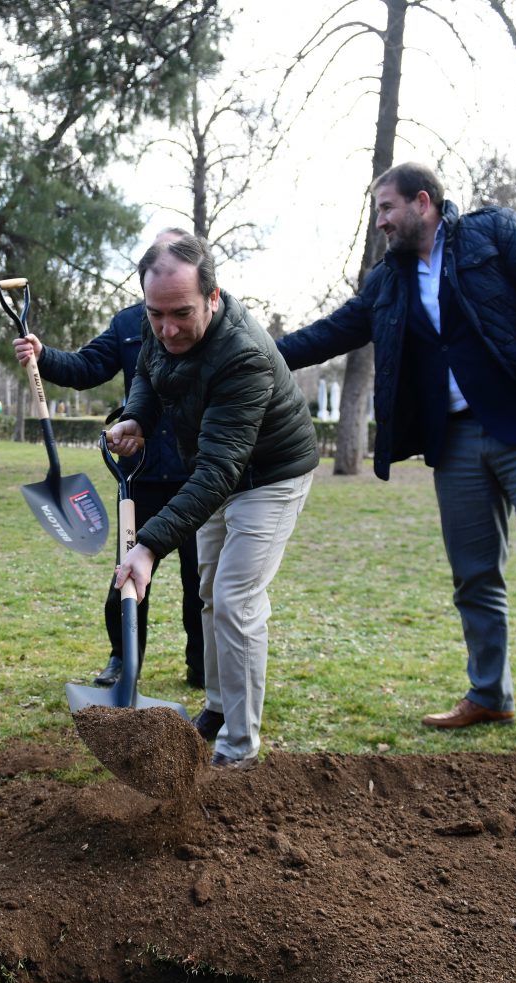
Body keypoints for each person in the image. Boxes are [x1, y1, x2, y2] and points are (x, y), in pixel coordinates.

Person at [275, 161, 516, 768]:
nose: (380, 222)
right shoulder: (390, 279)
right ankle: (489, 695)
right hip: (458, 441)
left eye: (387, 208)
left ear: (423, 202)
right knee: (474, 578)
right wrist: (252, 351)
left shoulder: (491, 233)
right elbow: (332, 332)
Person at [108, 233, 319, 769]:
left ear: (213, 297)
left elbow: (221, 470)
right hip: (214, 468)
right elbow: (149, 371)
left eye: (182, 314)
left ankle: (239, 748)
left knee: (235, 599)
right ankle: (220, 707)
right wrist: (137, 417)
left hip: (269, 475)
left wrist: (147, 546)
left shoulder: (242, 355)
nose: (167, 328)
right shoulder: (159, 315)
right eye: (156, 315)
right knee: (208, 591)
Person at [11, 245, 205, 691]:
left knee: (200, 578)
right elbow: (87, 366)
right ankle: (122, 655)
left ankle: (202, 662)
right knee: (130, 571)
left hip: (197, 474)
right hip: (140, 474)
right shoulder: (128, 324)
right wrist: (44, 354)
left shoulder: (204, 324)